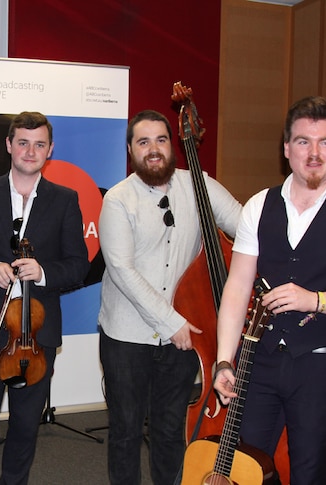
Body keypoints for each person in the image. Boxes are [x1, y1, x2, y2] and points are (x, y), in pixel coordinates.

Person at [213, 96, 326, 484]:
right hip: (259, 361)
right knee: (247, 468)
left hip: (321, 365)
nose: (313, 153)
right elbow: (237, 287)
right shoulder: (258, 206)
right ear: (286, 149)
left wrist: (316, 300)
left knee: (309, 473)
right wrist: (224, 360)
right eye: (302, 141)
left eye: (325, 142)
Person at [97, 109, 242, 485]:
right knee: (127, 431)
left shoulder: (200, 185)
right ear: (131, 150)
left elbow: (246, 227)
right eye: (143, 142)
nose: (154, 149)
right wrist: (171, 320)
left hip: (182, 336)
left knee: (168, 428)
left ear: (172, 144)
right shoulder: (118, 199)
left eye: (161, 140)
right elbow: (122, 270)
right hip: (127, 337)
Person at [0, 111, 90, 485]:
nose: (30, 151)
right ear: (9, 145)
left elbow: (78, 264)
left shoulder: (64, 199)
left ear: (50, 150)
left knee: (26, 427)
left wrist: (43, 271)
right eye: (23, 142)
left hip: (37, 336)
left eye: (39, 144)